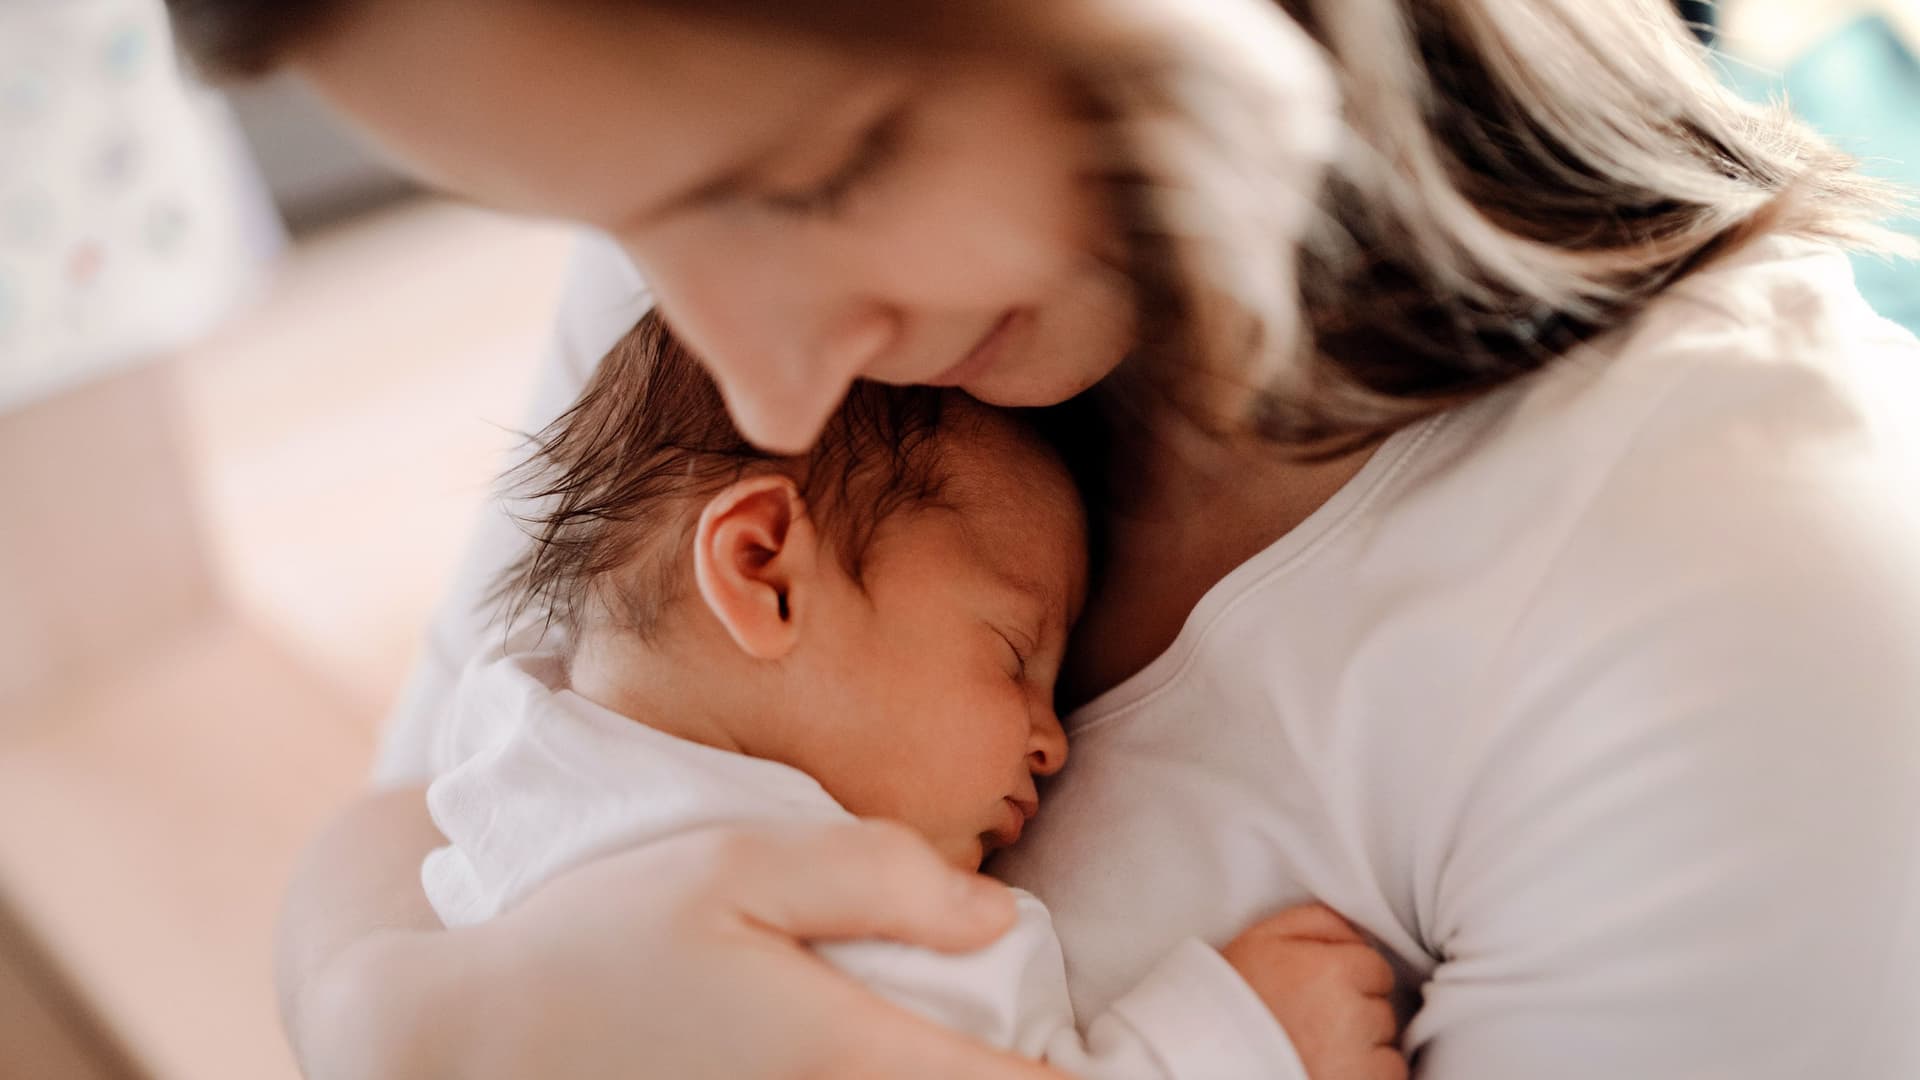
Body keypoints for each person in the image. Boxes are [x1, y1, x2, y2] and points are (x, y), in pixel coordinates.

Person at [164, 0, 1920, 1077]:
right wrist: (397, 1019)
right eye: (605, 211)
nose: (759, 371)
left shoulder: (1760, 617)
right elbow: (437, 797)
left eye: (807, 175)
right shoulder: (741, 312)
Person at [421, 310, 1402, 1079]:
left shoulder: (513, 779)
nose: (1051, 742)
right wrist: (1235, 1043)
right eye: (1015, 655)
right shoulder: (830, 908)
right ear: (764, 572)